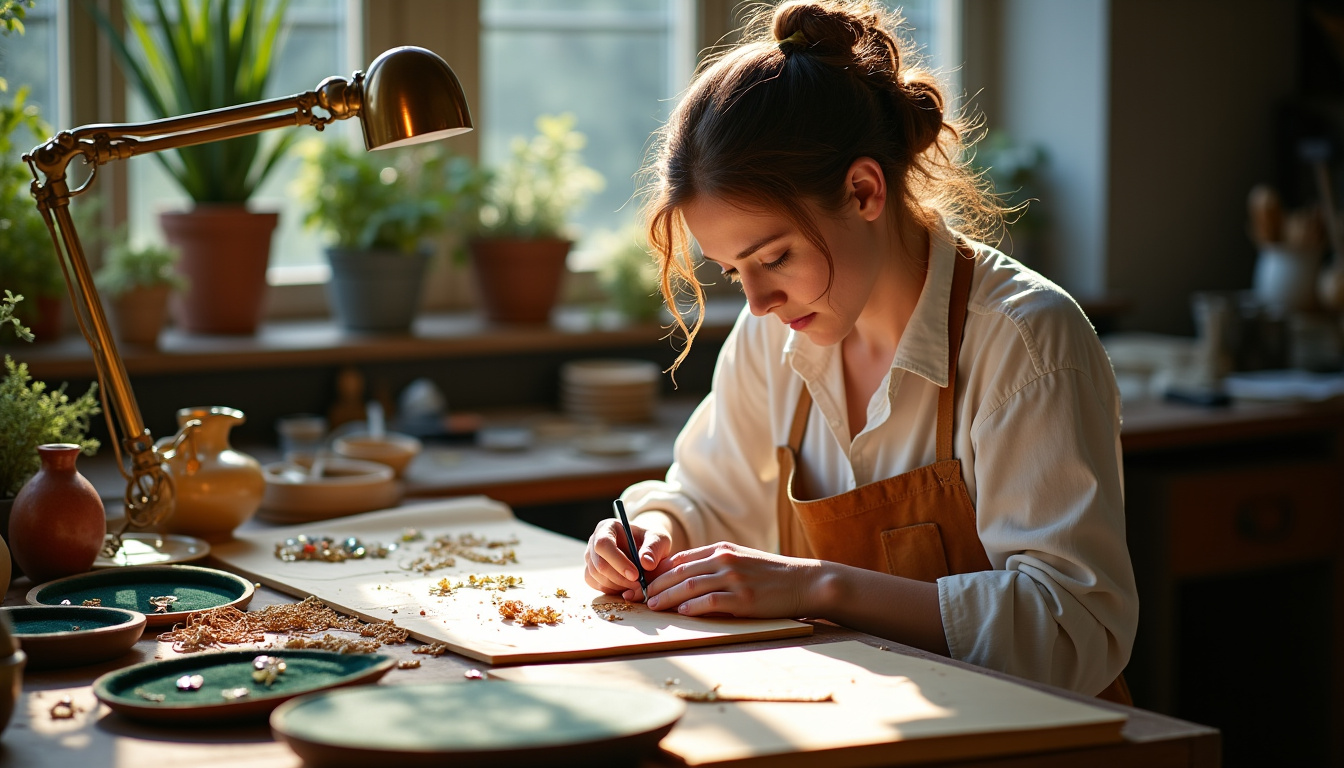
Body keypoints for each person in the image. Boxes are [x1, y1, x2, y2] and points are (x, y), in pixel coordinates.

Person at [583, 0, 1137, 702]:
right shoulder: (770, 335)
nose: (757, 301)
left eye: (774, 258)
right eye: (732, 271)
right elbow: (709, 498)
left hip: (1036, 735)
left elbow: (1072, 629)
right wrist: (654, 531)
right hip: (856, 719)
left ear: (864, 190)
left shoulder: (1025, 341)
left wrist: (819, 586)